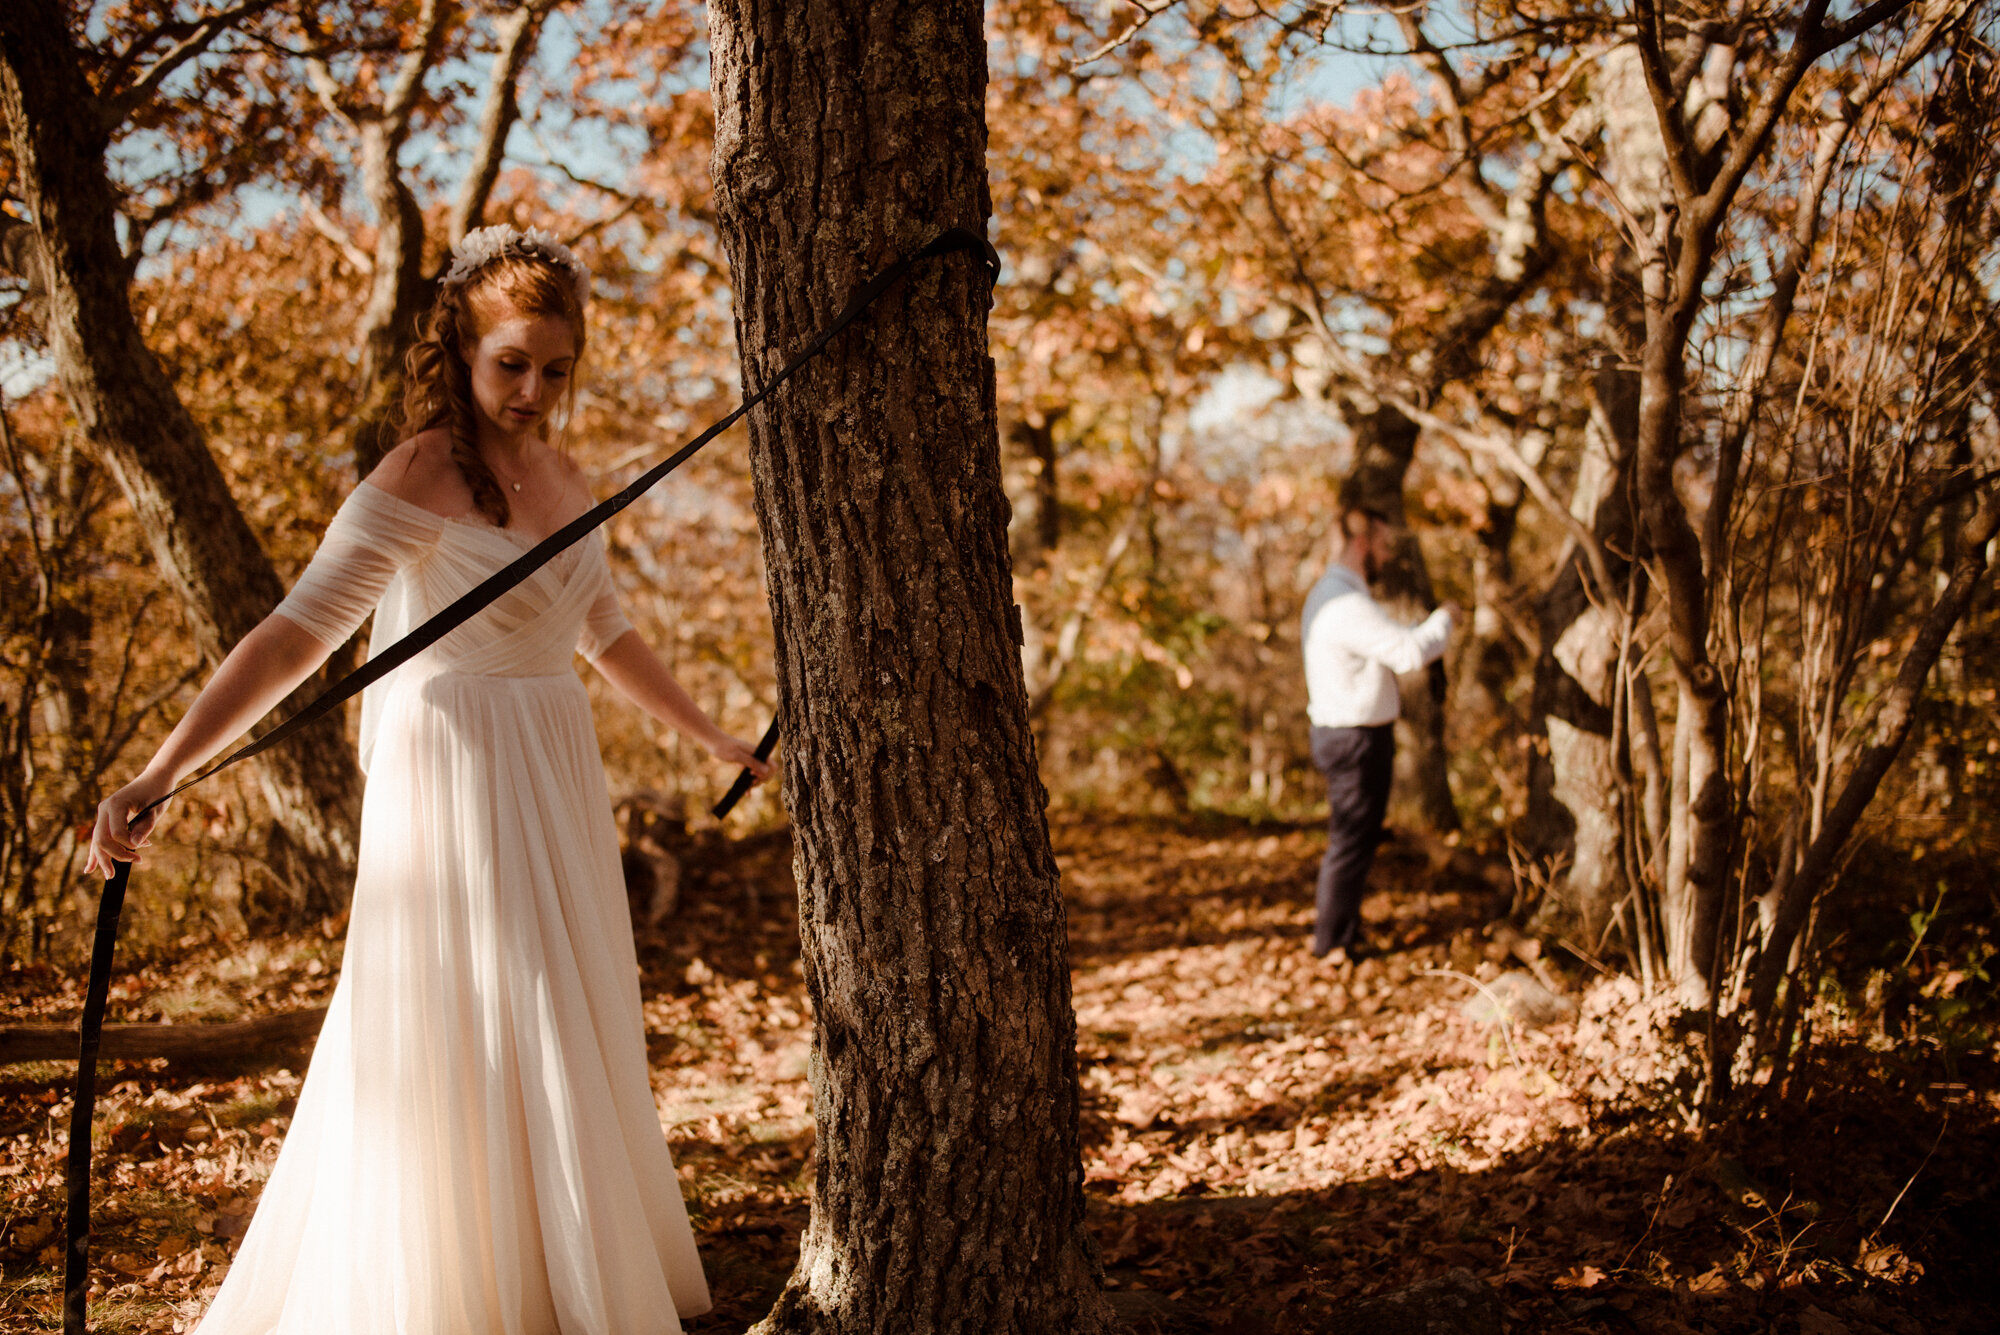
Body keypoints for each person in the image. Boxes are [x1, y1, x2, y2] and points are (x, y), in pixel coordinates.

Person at [86, 224, 771, 1334]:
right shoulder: (418, 473)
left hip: (553, 758)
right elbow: (293, 633)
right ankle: (457, 1281)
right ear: (460, 346)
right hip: (452, 767)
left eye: (556, 368)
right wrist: (165, 769)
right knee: (481, 1002)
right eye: (512, 363)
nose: (533, 389)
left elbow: (602, 630)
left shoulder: (564, 474)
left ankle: (565, 1265)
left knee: (563, 993)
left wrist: (711, 737)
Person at [1299, 505, 1455, 962]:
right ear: (1362, 543)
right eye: (1384, 544)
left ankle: (1341, 934)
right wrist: (1444, 618)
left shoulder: (1338, 597)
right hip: (1354, 740)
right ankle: (1332, 942)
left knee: (1356, 841)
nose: (1387, 555)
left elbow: (1390, 640)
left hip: (1350, 736)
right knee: (1350, 843)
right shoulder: (1343, 602)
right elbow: (1407, 652)